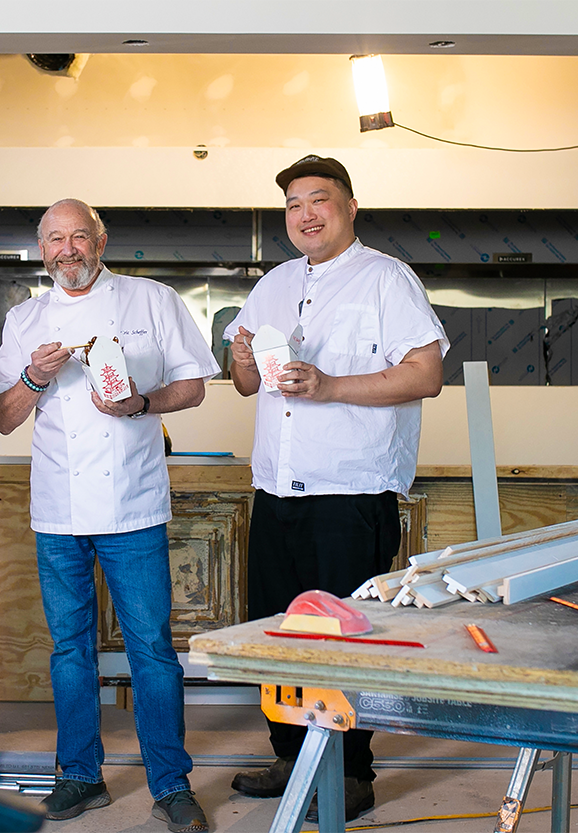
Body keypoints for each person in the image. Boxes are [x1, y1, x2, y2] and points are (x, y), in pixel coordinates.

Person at [225, 156, 448, 821]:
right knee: (280, 633)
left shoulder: (385, 277)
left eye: (318, 200)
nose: (305, 214)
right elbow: (246, 383)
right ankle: (291, 757)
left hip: (349, 496)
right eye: (294, 204)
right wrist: (238, 359)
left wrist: (330, 385)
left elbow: (426, 374)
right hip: (277, 494)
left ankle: (350, 770)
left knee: (347, 638)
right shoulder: (272, 284)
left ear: (350, 206)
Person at [0, 199, 220, 833]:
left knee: (151, 648)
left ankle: (171, 785)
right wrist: (35, 378)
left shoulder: (151, 300)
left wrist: (140, 403)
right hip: (57, 510)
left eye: (79, 237)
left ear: (101, 239)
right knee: (69, 650)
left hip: (134, 505)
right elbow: (3, 416)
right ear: (42, 249)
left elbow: (194, 384)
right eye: (55, 239)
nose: (69, 249)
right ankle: (80, 777)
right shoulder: (25, 318)